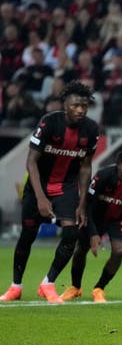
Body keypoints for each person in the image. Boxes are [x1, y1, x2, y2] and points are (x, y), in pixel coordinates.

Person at [0, 81, 100, 303]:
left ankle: (48, 283)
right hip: (39, 186)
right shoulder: (48, 123)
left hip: (67, 187)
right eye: (75, 105)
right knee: (27, 237)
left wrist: (82, 203)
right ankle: (15, 286)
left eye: (84, 105)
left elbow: (85, 167)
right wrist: (40, 198)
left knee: (71, 233)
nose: (80, 109)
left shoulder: (91, 130)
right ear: (65, 104)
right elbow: (31, 162)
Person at [61, 149, 122, 303]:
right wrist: (93, 233)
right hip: (95, 216)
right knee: (81, 249)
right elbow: (87, 204)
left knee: (118, 251)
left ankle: (99, 288)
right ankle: (75, 287)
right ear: (118, 165)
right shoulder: (103, 176)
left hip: (121, 218)